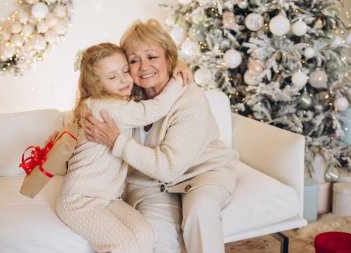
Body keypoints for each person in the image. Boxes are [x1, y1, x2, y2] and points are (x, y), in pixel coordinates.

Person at [84, 19, 239, 253]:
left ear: (169, 59)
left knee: (200, 213)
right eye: (134, 60)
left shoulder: (190, 101)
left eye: (152, 57)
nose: (143, 66)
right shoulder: (129, 94)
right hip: (150, 182)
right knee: (155, 236)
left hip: (202, 173)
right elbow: (96, 93)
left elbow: (169, 168)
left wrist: (117, 142)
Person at [55, 42, 187, 253]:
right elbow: (155, 109)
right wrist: (180, 78)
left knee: (145, 233)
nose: (124, 79)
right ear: (96, 83)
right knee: (123, 245)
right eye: (112, 77)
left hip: (108, 197)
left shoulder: (117, 101)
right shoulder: (104, 106)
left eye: (126, 71)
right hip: (79, 199)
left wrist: (175, 62)